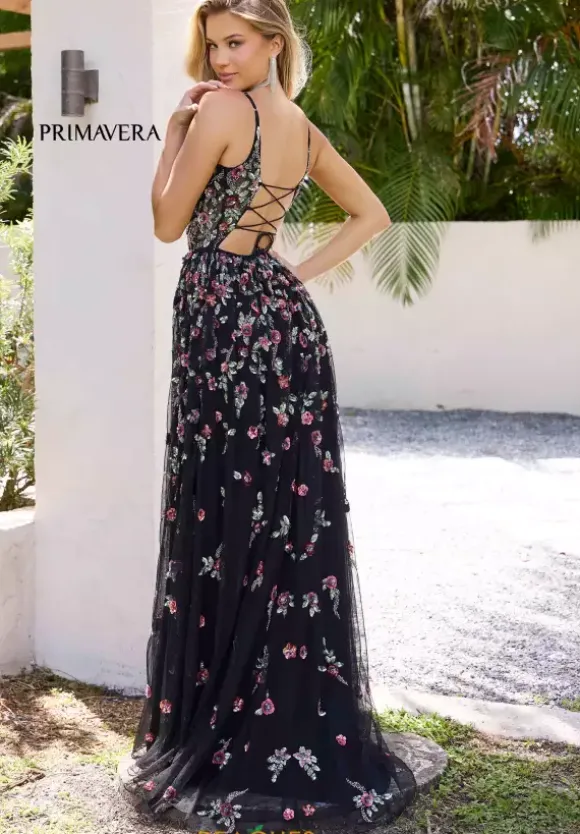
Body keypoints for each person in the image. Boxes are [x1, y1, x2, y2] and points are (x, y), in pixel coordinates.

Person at [124, 1, 417, 831]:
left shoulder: (220, 112)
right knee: (281, 517)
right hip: (281, 323)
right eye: (212, 44)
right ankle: (279, 716)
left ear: (274, 43)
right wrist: (293, 275)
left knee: (225, 511)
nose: (220, 59)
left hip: (222, 316)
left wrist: (172, 137)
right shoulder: (300, 127)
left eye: (236, 42)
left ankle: (224, 719)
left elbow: (168, 223)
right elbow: (372, 214)